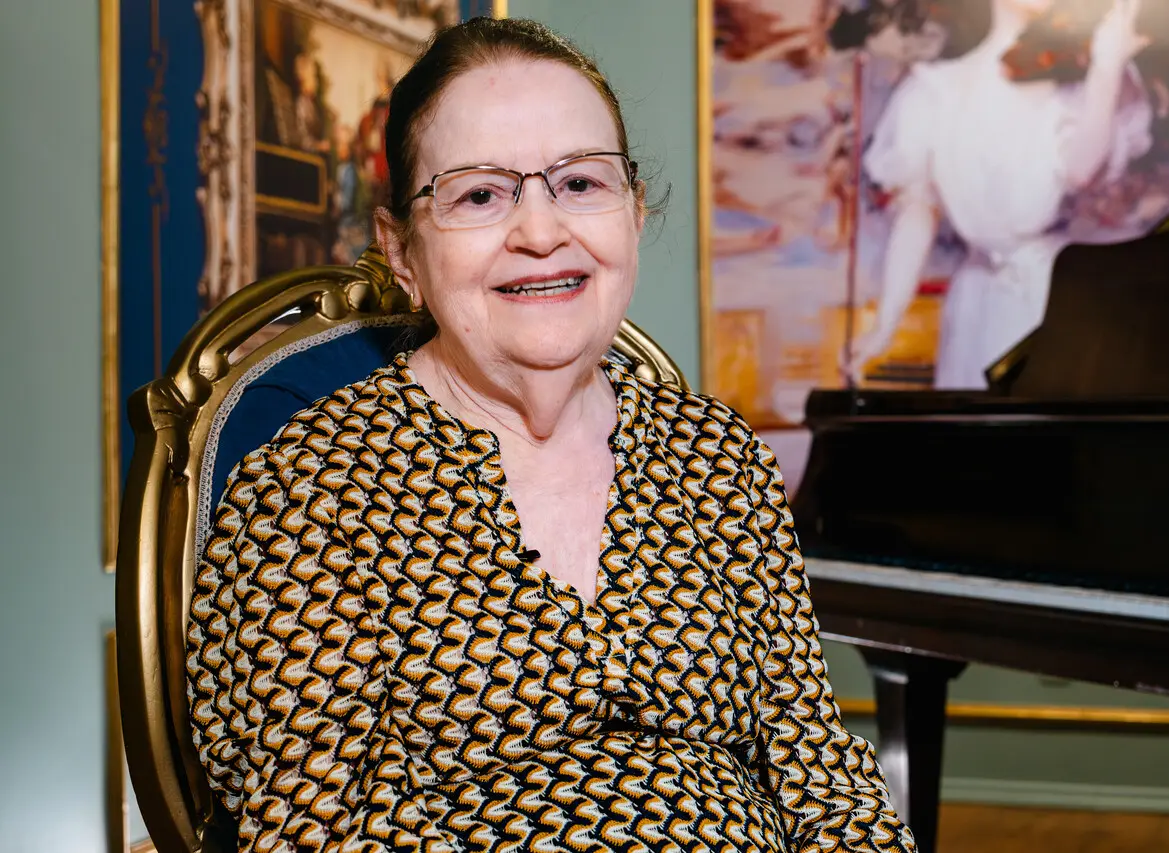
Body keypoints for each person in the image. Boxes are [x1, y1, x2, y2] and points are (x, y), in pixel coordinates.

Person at [186, 16, 915, 853]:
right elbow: (315, 833)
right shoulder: (306, 493)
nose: (540, 232)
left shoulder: (718, 456)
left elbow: (819, 773)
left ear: (632, 214)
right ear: (402, 253)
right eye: (479, 194)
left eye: (579, 182)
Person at [844, 0, 1153, 389]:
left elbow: (1080, 171)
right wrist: (885, 325)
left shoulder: (1080, 77)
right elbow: (917, 214)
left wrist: (1106, 67)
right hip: (980, 307)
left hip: (1062, 300)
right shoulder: (938, 90)